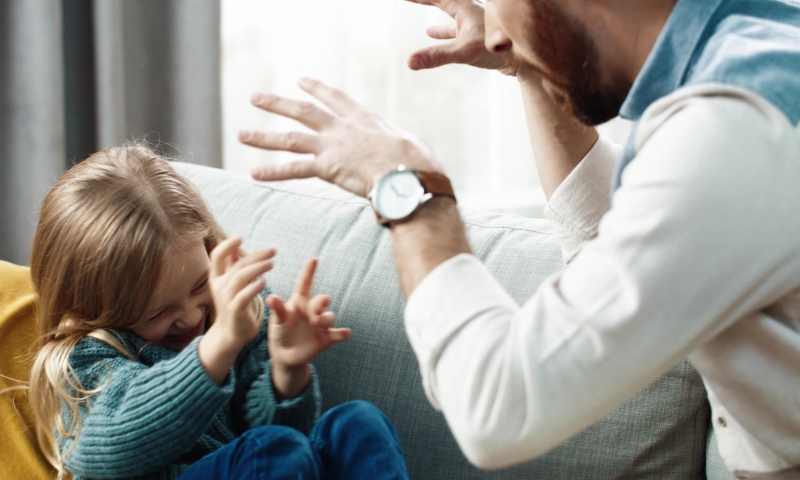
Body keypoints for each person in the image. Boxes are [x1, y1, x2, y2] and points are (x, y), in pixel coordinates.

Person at [237, 0, 800, 477]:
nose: (497, 33)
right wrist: (534, 66)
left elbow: (498, 411)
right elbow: (611, 248)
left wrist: (409, 191)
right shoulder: (755, 57)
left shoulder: (734, 126)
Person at [26, 145, 410, 480]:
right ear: (95, 308)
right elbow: (124, 437)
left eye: (198, 285)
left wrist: (287, 370)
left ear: (209, 245)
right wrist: (221, 344)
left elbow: (291, 445)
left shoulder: (244, 311)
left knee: (357, 422)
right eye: (156, 312)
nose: (192, 316)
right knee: (272, 449)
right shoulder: (84, 361)